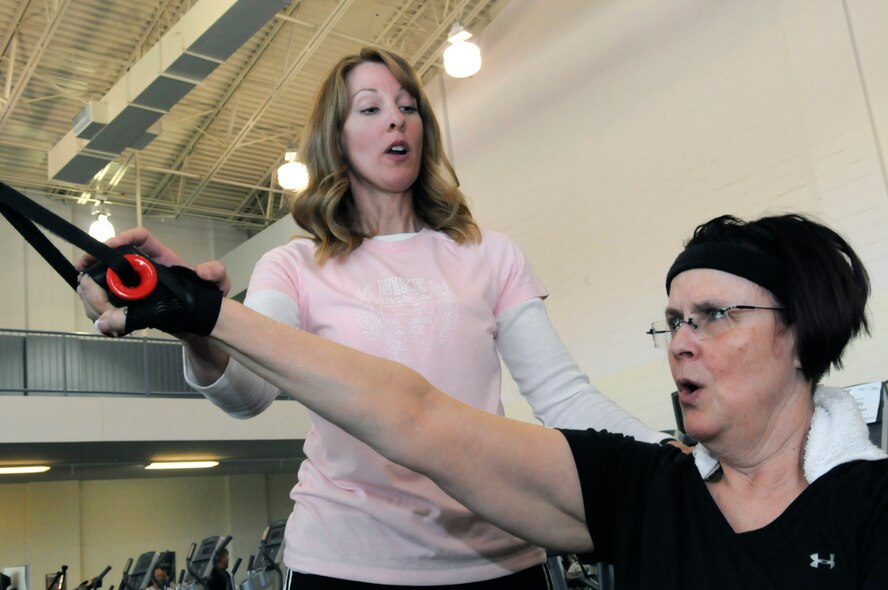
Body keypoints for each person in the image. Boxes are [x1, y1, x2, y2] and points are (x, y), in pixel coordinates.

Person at [78, 47, 672, 588]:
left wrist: (680, 465)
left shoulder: (489, 254)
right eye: (370, 108)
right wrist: (196, 326)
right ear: (336, 140)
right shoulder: (294, 266)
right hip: (343, 562)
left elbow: (564, 398)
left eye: (408, 107)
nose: (397, 119)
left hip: (499, 558)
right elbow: (248, 392)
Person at [81, 213, 888, 588]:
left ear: (799, 333)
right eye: (673, 319)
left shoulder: (871, 508)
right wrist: (205, 314)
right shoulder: (649, 493)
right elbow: (414, 416)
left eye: (714, 316)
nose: (681, 340)